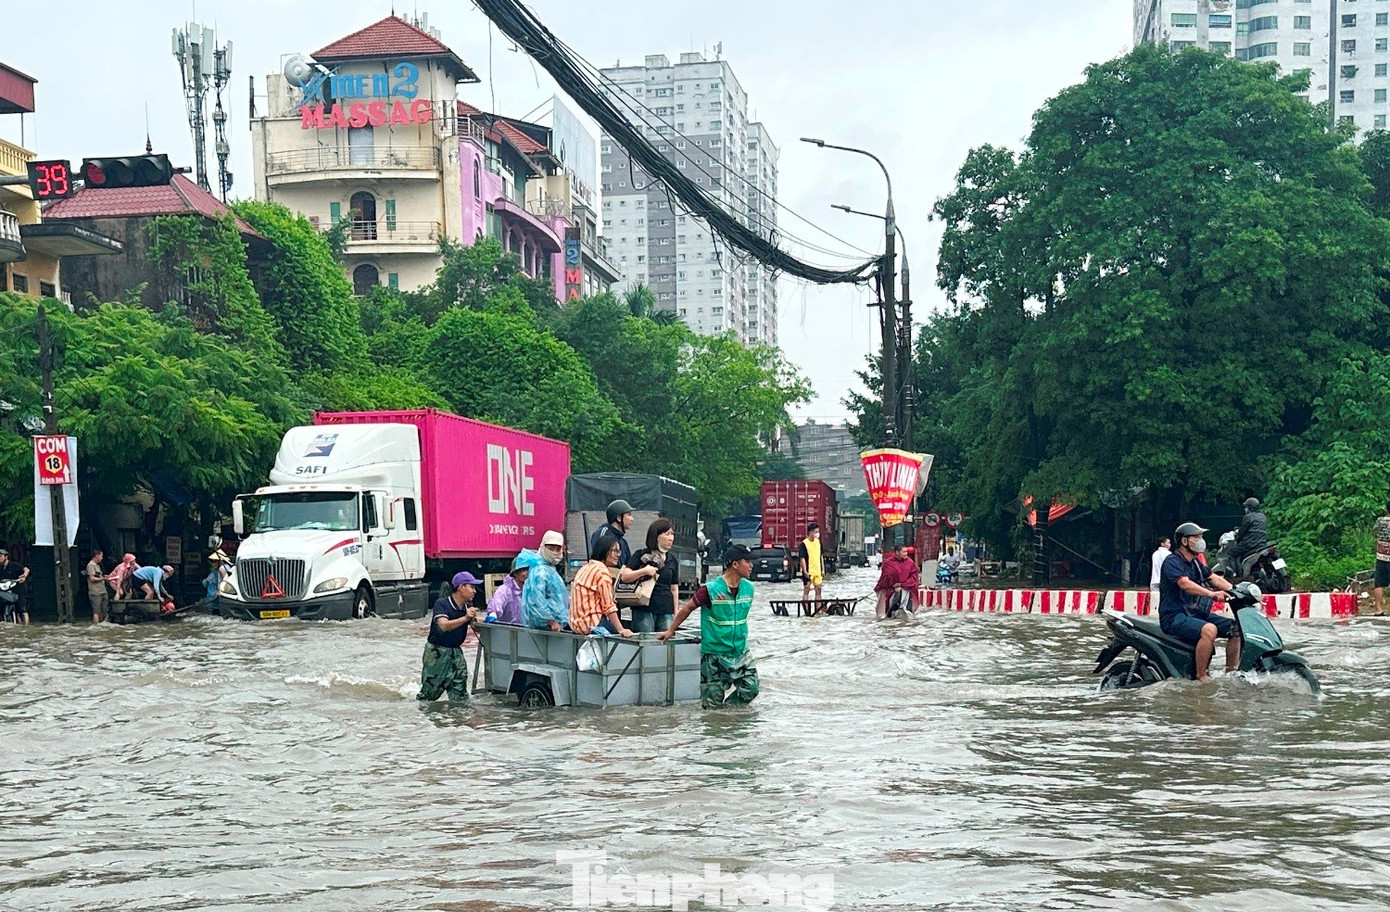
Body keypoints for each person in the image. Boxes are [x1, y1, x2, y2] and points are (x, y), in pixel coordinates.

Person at [659, 544, 759, 709]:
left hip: (740, 652)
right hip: (714, 655)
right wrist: (671, 630)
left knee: (751, 687)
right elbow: (687, 608)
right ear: (735, 564)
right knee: (712, 703)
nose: (751, 565)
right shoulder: (710, 590)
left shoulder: (749, 588)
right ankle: (717, 728)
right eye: (747, 561)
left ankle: (729, 716)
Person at [1159, 522, 1240, 682]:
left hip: (1194, 614)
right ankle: (1201, 675)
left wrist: (1237, 590)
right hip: (1174, 616)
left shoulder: (1196, 563)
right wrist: (1211, 594)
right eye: (1196, 537)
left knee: (1235, 628)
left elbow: (1213, 578)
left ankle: (1231, 673)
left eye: (1201, 536)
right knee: (1209, 630)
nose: (1201, 540)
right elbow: (1184, 584)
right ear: (1184, 541)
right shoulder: (1172, 561)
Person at [417, 571, 481, 703]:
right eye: (472, 587)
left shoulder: (467, 608)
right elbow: (443, 626)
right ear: (461, 587)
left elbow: (476, 629)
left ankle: (458, 720)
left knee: (460, 695)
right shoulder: (442, 604)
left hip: (456, 652)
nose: (474, 591)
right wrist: (465, 618)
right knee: (429, 694)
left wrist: (480, 621)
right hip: (437, 653)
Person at [570, 534, 634, 637]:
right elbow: (608, 607)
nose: (618, 555)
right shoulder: (602, 572)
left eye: (619, 551)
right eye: (615, 551)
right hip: (594, 625)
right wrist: (621, 629)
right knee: (624, 642)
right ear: (604, 550)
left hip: (577, 626)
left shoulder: (585, 568)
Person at [628, 518, 680, 634]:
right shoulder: (640, 555)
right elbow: (625, 576)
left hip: (666, 610)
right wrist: (644, 571)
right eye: (667, 534)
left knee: (664, 646)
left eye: (672, 534)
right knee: (645, 643)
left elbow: (674, 588)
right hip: (643, 608)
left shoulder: (672, 560)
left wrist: (676, 611)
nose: (671, 538)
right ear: (656, 536)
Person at [588, 499, 653, 584]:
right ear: (619, 518)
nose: (632, 519)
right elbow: (598, 562)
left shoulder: (623, 542)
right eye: (629, 515)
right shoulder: (603, 533)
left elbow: (627, 566)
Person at [523, 531, 571, 631]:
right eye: (551, 548)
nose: (554, 552)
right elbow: (537, 600)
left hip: (555, 623)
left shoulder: (549, 567)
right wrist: (551, 621)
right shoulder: (540, 571)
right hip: (545, 626)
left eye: (557, 549)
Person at [875, 543, 920, 619]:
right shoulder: (888, 563)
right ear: (897, 552)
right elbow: (885, 577)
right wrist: (892, 585)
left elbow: (914, 577)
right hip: (890, 589)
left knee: (907, 611)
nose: (906, 554)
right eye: (903, 552)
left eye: (906, 552)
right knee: (887, 613)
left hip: (906, 589)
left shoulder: (910, 563)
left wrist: (902, 585)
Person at [486, 554, 528, 624]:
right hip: (508, 631)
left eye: (528, 570)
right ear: (515, 573)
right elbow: (497, 603)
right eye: (523, 570)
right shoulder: (505, 590)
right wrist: (493, 614)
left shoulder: (529, 590)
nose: (527, 573)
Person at [1232, 497, 1269, 567]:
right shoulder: (1263, 516)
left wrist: (1237, 538)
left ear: (1250, 507)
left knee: (1231, 553)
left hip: (1249, 544)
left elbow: (1241, 533)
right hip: (1262, 544)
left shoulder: (1248, 517)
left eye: (1246, 507)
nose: (1245, 509)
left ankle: (1235, 575)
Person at [0, 548, 31, 625]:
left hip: (18, 590)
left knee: (23, 610)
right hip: (6, 592)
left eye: (0, 556)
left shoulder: (14, 565)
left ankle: (26, 627)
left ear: (6, 557)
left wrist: (24, 576)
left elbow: (26, 569)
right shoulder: (1, 568)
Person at [798, 523, 825, 605]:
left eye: (818, 531)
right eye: (816, 532)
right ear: (811, 532)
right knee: (807, 588)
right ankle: (806, 610)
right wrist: (805, 570)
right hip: (809, 570)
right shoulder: (804, 544)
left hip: (817, 570)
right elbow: (802, 558)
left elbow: (821, 556)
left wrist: (823, 569)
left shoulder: (818, 542)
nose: (818, 533)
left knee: (818, 590)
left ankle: (818, 610)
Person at [1374, 499, 1390, 617]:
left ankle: (1378, 609)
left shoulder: (1380, 520)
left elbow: (1374, 530)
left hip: (1381, 556)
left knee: (1379, 583)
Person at [86, 549, 110, 624]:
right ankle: (96, 625)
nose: (102, 558)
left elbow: (98, 576)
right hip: (95, 592)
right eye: (101, 556)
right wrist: (102, 578)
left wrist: (105, 577)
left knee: (105, 609)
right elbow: (92, 578)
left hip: (102, 590)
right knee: (96, 611)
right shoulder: (91, 565)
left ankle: (103, 624)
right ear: (97, 556)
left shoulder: (97, 565)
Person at [1148, 536, 1172, 609]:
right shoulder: (1168, 554)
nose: (1170, 544)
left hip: (1154, 581)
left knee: (1154, 603)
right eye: (1168, 542)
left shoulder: (1155, 554)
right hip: (1164, 582)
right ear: (1162, 544)